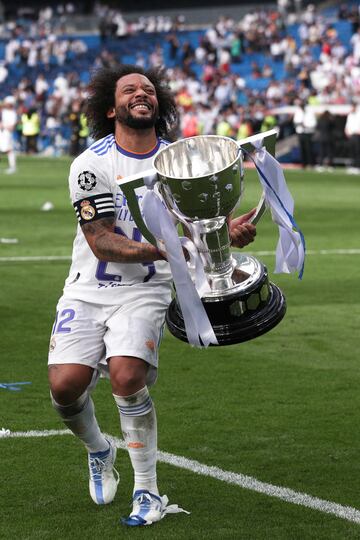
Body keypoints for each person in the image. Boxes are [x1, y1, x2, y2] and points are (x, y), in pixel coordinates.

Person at [47, 64, 257, 527]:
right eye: (129, 90)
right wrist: (165, 247)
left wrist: (224, 234)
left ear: (157, 103)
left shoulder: (179, 162)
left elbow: (196, 227)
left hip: (146, 288)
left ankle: (148, 491)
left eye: (148, 89)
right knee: (64, 388)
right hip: (87, 288)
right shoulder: (91, 164)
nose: (141, 94)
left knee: (126, 375)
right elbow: (101, 240)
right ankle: (99, 449)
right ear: (110, 107)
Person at [0, 96, 17, 174]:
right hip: (2, 133)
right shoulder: (4, 111)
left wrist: (3, 125)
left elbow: (12, 127)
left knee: (8, 150)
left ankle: (12, 167)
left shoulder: (12, 114)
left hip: (6, 134)